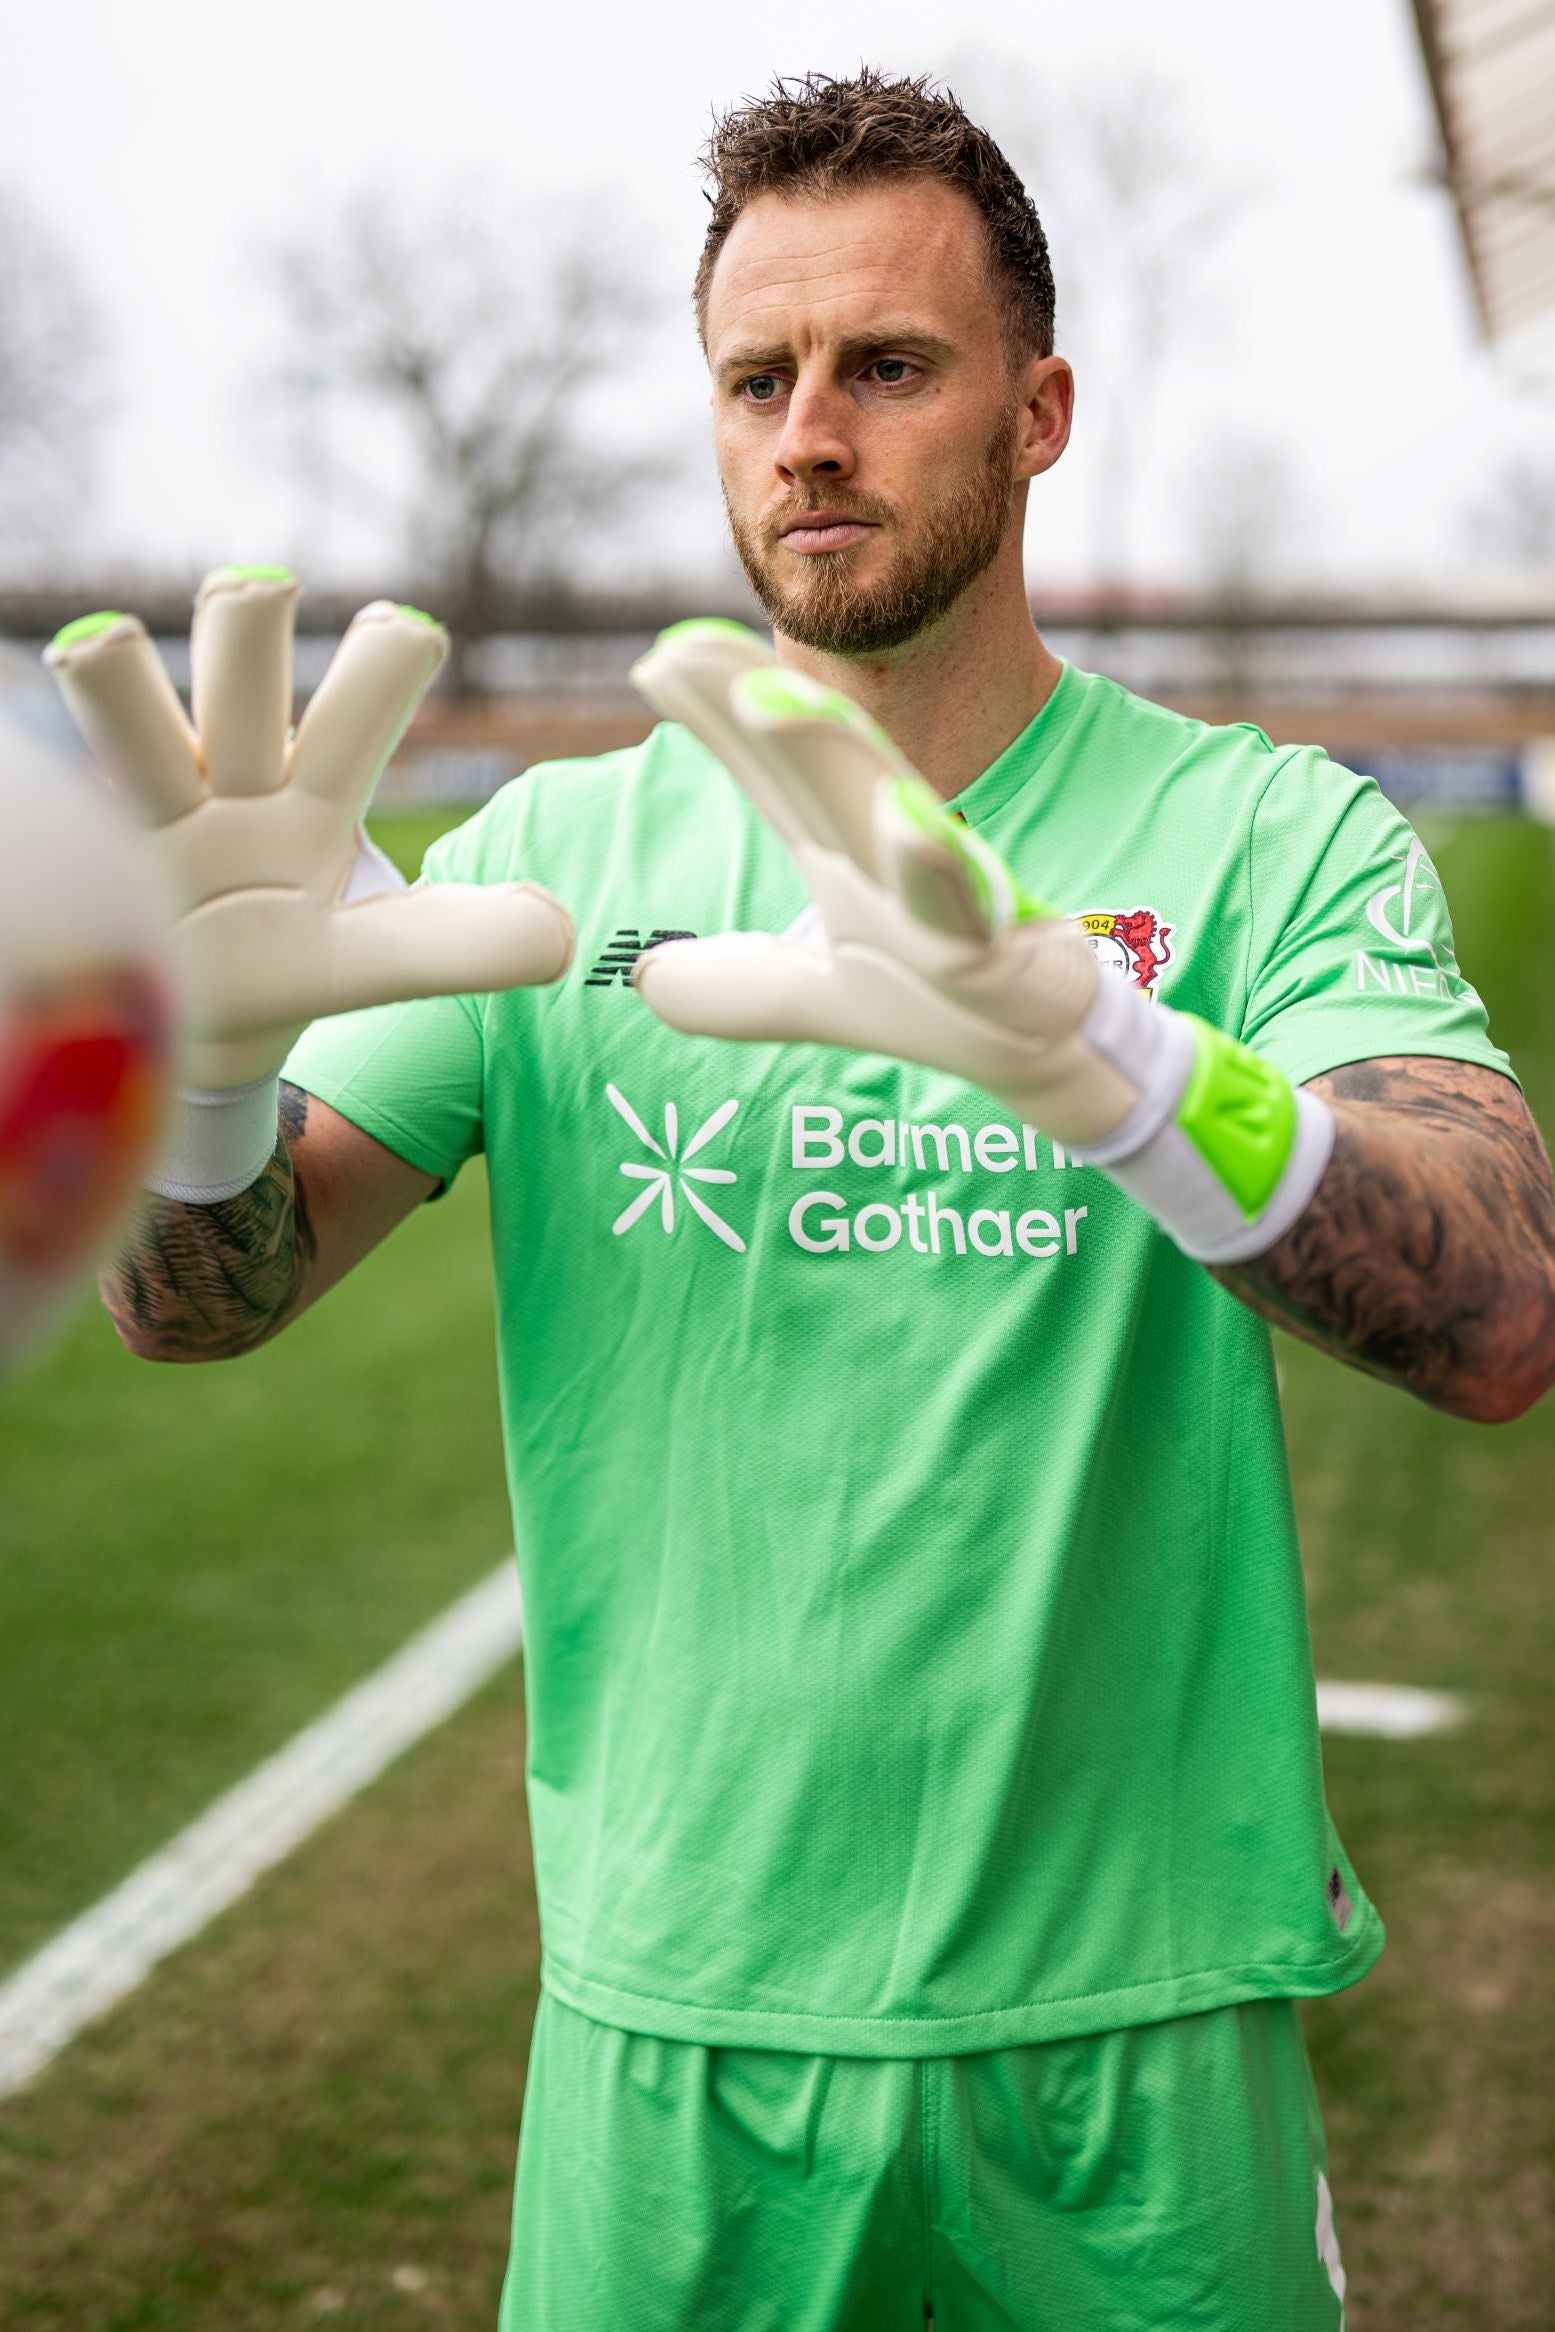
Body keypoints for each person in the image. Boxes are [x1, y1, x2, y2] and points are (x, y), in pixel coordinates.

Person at [81, 69, 1555, 2332]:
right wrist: (187, 1095)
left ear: (1040, 411)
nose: (809, 436)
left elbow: (1501, 1311)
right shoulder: (548, 867)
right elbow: (202, 1298)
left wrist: (1125, 1068)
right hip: (672, 2029)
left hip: (1136, 2034)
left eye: (888, 365)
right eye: (756, 378)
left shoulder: (1271, 838)